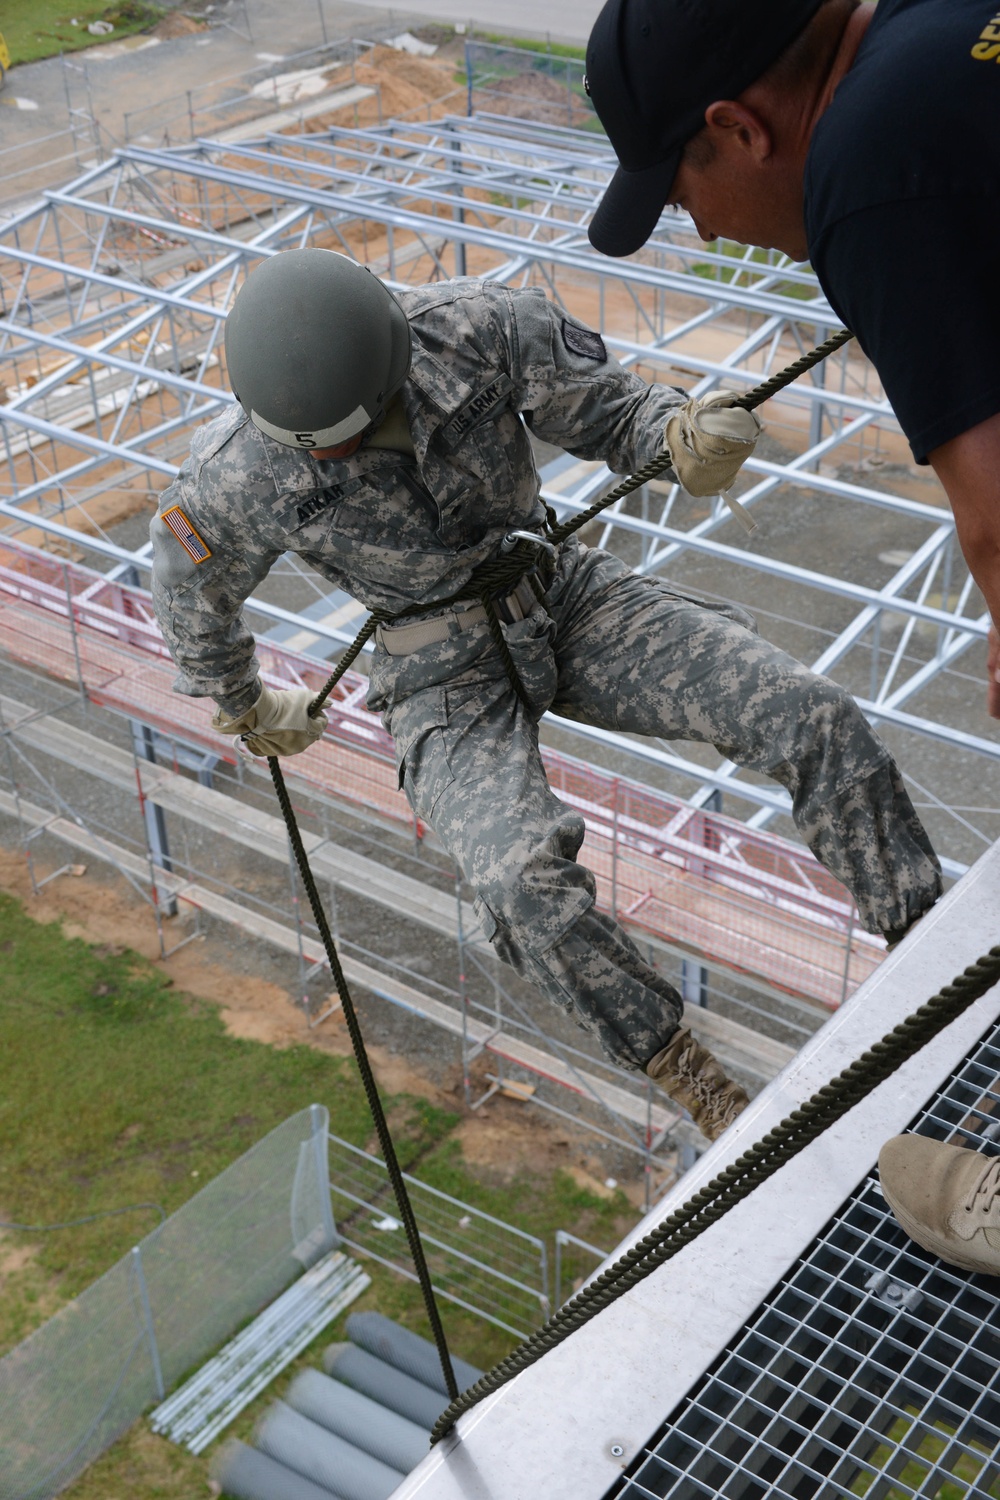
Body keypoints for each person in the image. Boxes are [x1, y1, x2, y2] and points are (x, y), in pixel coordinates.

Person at [150, 248, 942, 1143]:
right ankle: (697, 1081)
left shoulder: (481, 330)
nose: (331, 454)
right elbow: (188, 586)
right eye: (315, 448)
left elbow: (607, 408)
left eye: (344, 436)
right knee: (522, 887)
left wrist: (674, 435)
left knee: (806, 713)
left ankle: (926, 946)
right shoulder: (241, 472)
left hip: (556, 596)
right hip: (437, 674)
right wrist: (243, 701)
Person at [584, 0, 1000, 1262]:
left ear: (735, 127)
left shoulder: (865, 174)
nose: (700, 229)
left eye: (682, 189)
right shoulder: (942, 22)